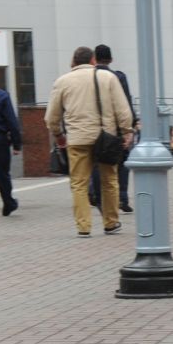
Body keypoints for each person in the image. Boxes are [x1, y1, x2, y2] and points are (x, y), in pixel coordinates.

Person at [45, 46, 135, 236]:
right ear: (93, 60)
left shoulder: (62, 81)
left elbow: (52, 116)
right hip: (106, 137)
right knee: (109, 180)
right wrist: (127, 131)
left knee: (79, 183)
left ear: (74, 61)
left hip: (77, 138)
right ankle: (111, 222)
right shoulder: (108, 78)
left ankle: (83, 226)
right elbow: (122, 109)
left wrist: (58, 135)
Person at [87, 46, 138, 212]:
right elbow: (125, 103)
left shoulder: (87, 77)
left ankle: (96, 195)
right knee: (121, 162)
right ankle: (122, 198)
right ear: (111, 59)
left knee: (96, 163)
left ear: (94, 59)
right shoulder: (118, 77)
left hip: (93, 127)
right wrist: (130, 127)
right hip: (114, 129)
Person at [0, 64, 20, 216]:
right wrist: (17, 144)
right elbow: (12, 122)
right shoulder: (1, 95)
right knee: (2, 173)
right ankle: (8, 202)